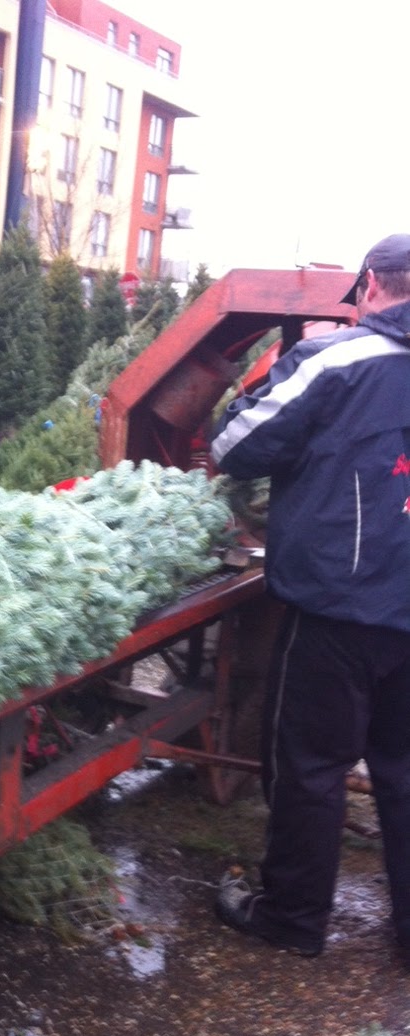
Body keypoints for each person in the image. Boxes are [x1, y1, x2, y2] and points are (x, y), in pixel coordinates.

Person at [210, 234, 410, 958]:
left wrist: (284, 368)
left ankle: (292, 918)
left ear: (372, 285)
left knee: (312, 768)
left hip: (338, 612)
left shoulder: (336, 360)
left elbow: (234, 447)